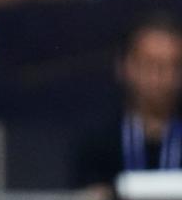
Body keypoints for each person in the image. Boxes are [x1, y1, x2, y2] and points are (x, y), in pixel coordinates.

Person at [74, 14, 182, 191]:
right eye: (151, 65)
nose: (164, 76)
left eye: (174, 66)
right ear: (124, 67)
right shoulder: (97, 141)